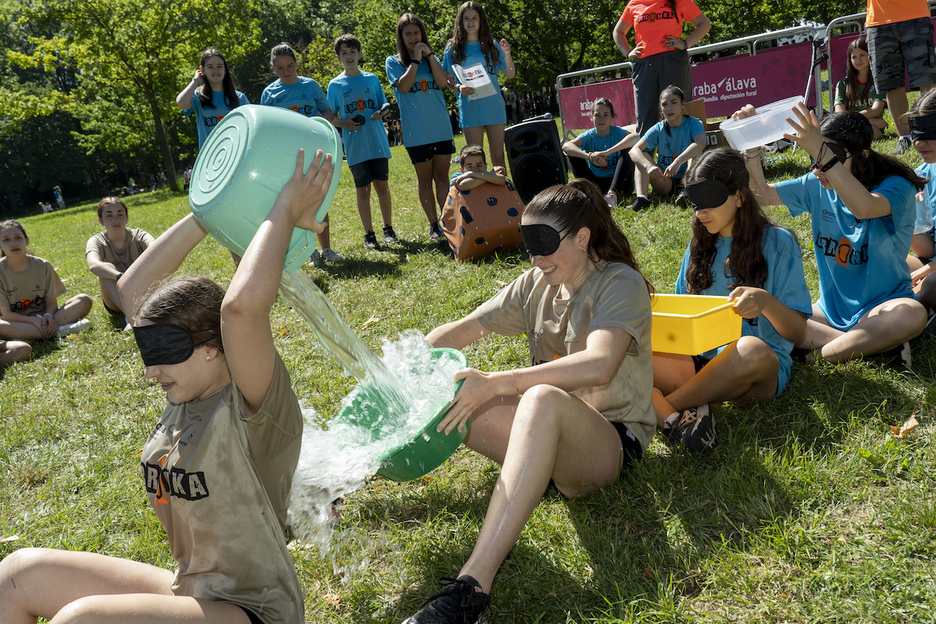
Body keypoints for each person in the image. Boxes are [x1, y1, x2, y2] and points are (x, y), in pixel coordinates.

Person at [0, 149, 335, 624]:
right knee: (20, 572)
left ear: (213, 347)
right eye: (147, 353)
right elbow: (131, 289)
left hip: (256, 611)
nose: (150, 371)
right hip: (192, 590)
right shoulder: (184, 393)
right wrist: (209, 210)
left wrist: (283, 208)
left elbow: (240, 310)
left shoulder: (254, 407)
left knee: (83, 619)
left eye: (165, 353)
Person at [405, 180, 655, 624]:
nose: (536, 260)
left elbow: (599, 364)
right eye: (530, 247)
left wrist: (501, 382)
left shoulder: (620, 283)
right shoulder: (537, 283)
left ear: (582, 238)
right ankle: (532, 477)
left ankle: (472, 588)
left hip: (610, 444)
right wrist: (402, 370)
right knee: (454, 386)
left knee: (539, 398)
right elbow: (462, 330)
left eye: (545, 246)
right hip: (546, 440)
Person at [738, 104, 927, 368]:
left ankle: (815, 355)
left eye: (830, 156)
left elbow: (864, 207)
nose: (818, 168)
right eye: (814, 156)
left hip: (881, 308)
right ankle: (866, 344)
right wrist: (751, 149)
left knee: (911, 314)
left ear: (863, 155)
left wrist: (821, 152)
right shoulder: (817, 184)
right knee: (763, 311)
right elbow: (762, 195)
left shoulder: (897, 186)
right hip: (827, 312)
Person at [652, 148, 812, 453]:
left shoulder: (779, 243)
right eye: (695, 203)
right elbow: (681, 319)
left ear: (739, 197)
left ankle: (661, 410)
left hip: (753, 370)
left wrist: (765, 302)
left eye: (709, 200)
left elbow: (798, 332)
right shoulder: (700, 244)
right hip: (697, 363)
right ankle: (692, 408)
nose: (700, 212)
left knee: (751, 349)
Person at [261, 42, 342, 267]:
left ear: (296, 62)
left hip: (314, 151)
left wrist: (342, 124)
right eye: (280, 68)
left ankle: (326, 249)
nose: (286, 71)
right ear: (272, 67)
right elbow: (267, 126)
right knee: (295, 203)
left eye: (290, 66)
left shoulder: (311, 85)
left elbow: (327, 115)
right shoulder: (269, 93)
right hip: (286, 155)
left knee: (319, 198)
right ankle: (309, 252)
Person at [386, 13, 456, 241]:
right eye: (408, 34)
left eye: (417, 33)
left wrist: (430, 56)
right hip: (416, 133)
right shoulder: (393, 62)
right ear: (401, 37)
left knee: (442, 177)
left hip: (440, 128)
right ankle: (433, 224)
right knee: (424, 180)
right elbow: (404, 87)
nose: (413, 38)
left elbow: (442, 82)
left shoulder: (431, 59)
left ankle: (447, 221)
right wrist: (415, 60)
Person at [327, 34, 396, 250]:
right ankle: (369, 234)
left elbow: (384, 104)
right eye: (344, 53)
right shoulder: (335, 85)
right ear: (338, 57)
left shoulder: (371, 79)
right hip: (355, 147)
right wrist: (344, 123)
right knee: (362, 190)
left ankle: (388, 229)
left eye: (352, 51)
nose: (349, 56)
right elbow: (330, 117)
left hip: (377, 142)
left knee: (382, 186)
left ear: (360, 54)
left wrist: (381, 112)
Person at [612, 0, 710, 137]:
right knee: (646, 115)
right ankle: (647, 150)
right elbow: (618, 32)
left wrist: (685, 43)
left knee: (678, 109)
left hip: (673, 61)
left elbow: (704, 24)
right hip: (644, 64)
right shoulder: (634, 3)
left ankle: (686, 148)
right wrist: (628, 52)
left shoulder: (679, 1)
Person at [442, 1, 516, 171]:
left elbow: (510, 74)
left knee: (498, 157)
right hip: (470, 109)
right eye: (466, 18)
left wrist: (507, 54)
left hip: (494, 107)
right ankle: (479, 189)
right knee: (474, 160)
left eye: (474, 18)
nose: (470, 22)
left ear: (481, 20)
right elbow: (447, 79)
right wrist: (459, 88)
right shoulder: (452, 47)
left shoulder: (492, 45)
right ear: (460, 21)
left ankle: (502, 188)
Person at [0, 219, 92, 342]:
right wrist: (33, 320)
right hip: (18, 321)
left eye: (18, 238)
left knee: (84, 300)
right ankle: (59, 331)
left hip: (46, 318)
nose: (13, 243)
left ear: (27, 241)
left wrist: (48, 316)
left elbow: (51, 303)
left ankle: (31, 335)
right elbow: (6, 314)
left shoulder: (43, 265)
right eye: (6, 240)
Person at [864, 0, 936, 154]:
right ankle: (905, 137)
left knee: (927, 81)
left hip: (915, 16)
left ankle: (932, 132)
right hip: (878, 22)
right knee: (890, 84)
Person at [628, 85, 706, 212]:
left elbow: (701, 143)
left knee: (694, 152)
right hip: (665, 180)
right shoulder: (658, 128)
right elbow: (633, 150)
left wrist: (678, 161)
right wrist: (649, 166)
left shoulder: (694, 123)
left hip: (689, 175)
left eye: (673, 102)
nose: (669, 108)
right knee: (641, 156)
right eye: (664, 105)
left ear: (683, 105)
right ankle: (642, 199)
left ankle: (688, 191)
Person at [85, 197, 156, 323]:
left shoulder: (138, 235)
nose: (116, 220)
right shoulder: (96, 241)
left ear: (127, 218)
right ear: (101, 221)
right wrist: (120, 277)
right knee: (105, 269)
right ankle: (132, 316)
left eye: (120, 214)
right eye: (109, 215)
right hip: (115, 299)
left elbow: (156, 248)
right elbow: (93, 265)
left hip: (143, 290)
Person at [562, 97, 639, 208]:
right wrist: (589, 156)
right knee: (573, 154)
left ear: (612, 117)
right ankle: (594, 194)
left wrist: (607, 152)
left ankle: (612, 194)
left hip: (621, 184)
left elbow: (636, 137)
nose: (601, 119)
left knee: (628, 149)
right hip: (597, 185)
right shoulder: (589, 135)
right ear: (591, 117)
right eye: (597, 115)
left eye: (606, 115)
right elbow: (566, 146)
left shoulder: (617, 132)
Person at [175, 48, 249, 148]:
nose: (215, 70)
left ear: (225, 70)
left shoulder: (239, 98)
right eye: (210, 67)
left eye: (219, 66)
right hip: (209, 156)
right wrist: (195, 81)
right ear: (202, 70)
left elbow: (249, 126)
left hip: (235, 154)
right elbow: (181, 103)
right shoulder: (197, 97)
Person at [904, 88, 936, 310]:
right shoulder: (922, 177)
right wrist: (907, 216)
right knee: (878, 260)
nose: (919, 143)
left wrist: (929, 270)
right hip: (931, 262)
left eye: (929, 134)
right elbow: (927, 251)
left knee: (932, 285)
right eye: (915, 134)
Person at [833, 37, 888, 141]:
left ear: (870, 55)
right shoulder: (842, 84)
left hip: (872, 126)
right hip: (847, 126)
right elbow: (840, 113)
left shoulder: (879, 81)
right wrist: (868, 120)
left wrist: (866, 122)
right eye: (854, 57)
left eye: (862, 55)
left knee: (871, 133)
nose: (858, 60)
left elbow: (876, 110)